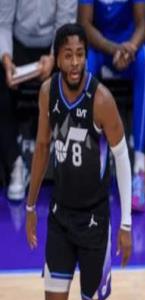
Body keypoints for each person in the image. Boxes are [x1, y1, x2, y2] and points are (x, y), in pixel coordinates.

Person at [25, 23, 132, 300]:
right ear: (58, 58)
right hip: (59, 219)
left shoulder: (101, 100)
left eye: (80, 55)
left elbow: (121, 158)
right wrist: (31, 205)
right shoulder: (47, 93)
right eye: (67, 55)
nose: (74, 62)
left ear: (86, 57)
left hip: (94, 225)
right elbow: (40, 147)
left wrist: (125, 224)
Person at [78, 0, 145, 211]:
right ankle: (89, 167)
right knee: (85, 65)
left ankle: (139, 168)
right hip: (100, 45)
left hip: (128, 46)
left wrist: (130, 49)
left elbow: (142, 24)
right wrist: (113, 49)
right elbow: (84, 24)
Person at [0, 0, 76, 201]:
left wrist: (53, 57)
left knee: (74, 65)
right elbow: (3, 23)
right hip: (18, 44)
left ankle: (69, 166)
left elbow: (65, 25)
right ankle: (15, 163)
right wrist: (6, 58)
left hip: (53, 45)